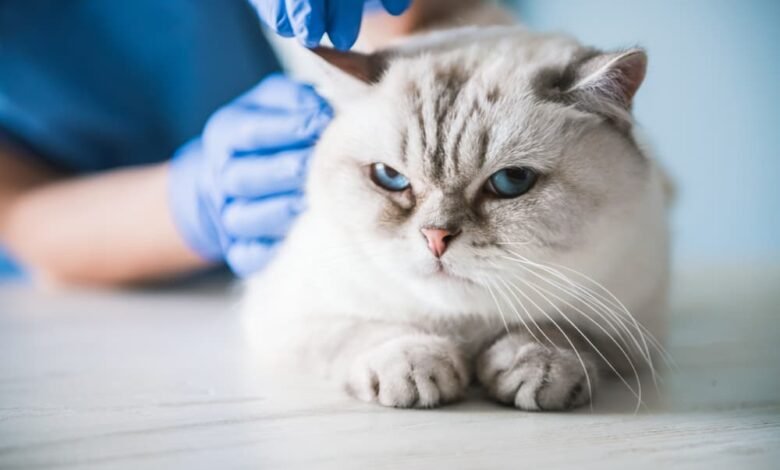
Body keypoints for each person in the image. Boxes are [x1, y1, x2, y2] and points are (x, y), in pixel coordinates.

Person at [0, 0, 424, 285]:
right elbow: (15, 212)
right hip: (82, 286)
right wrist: (197, 199)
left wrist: (405, 54)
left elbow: (404, 21)